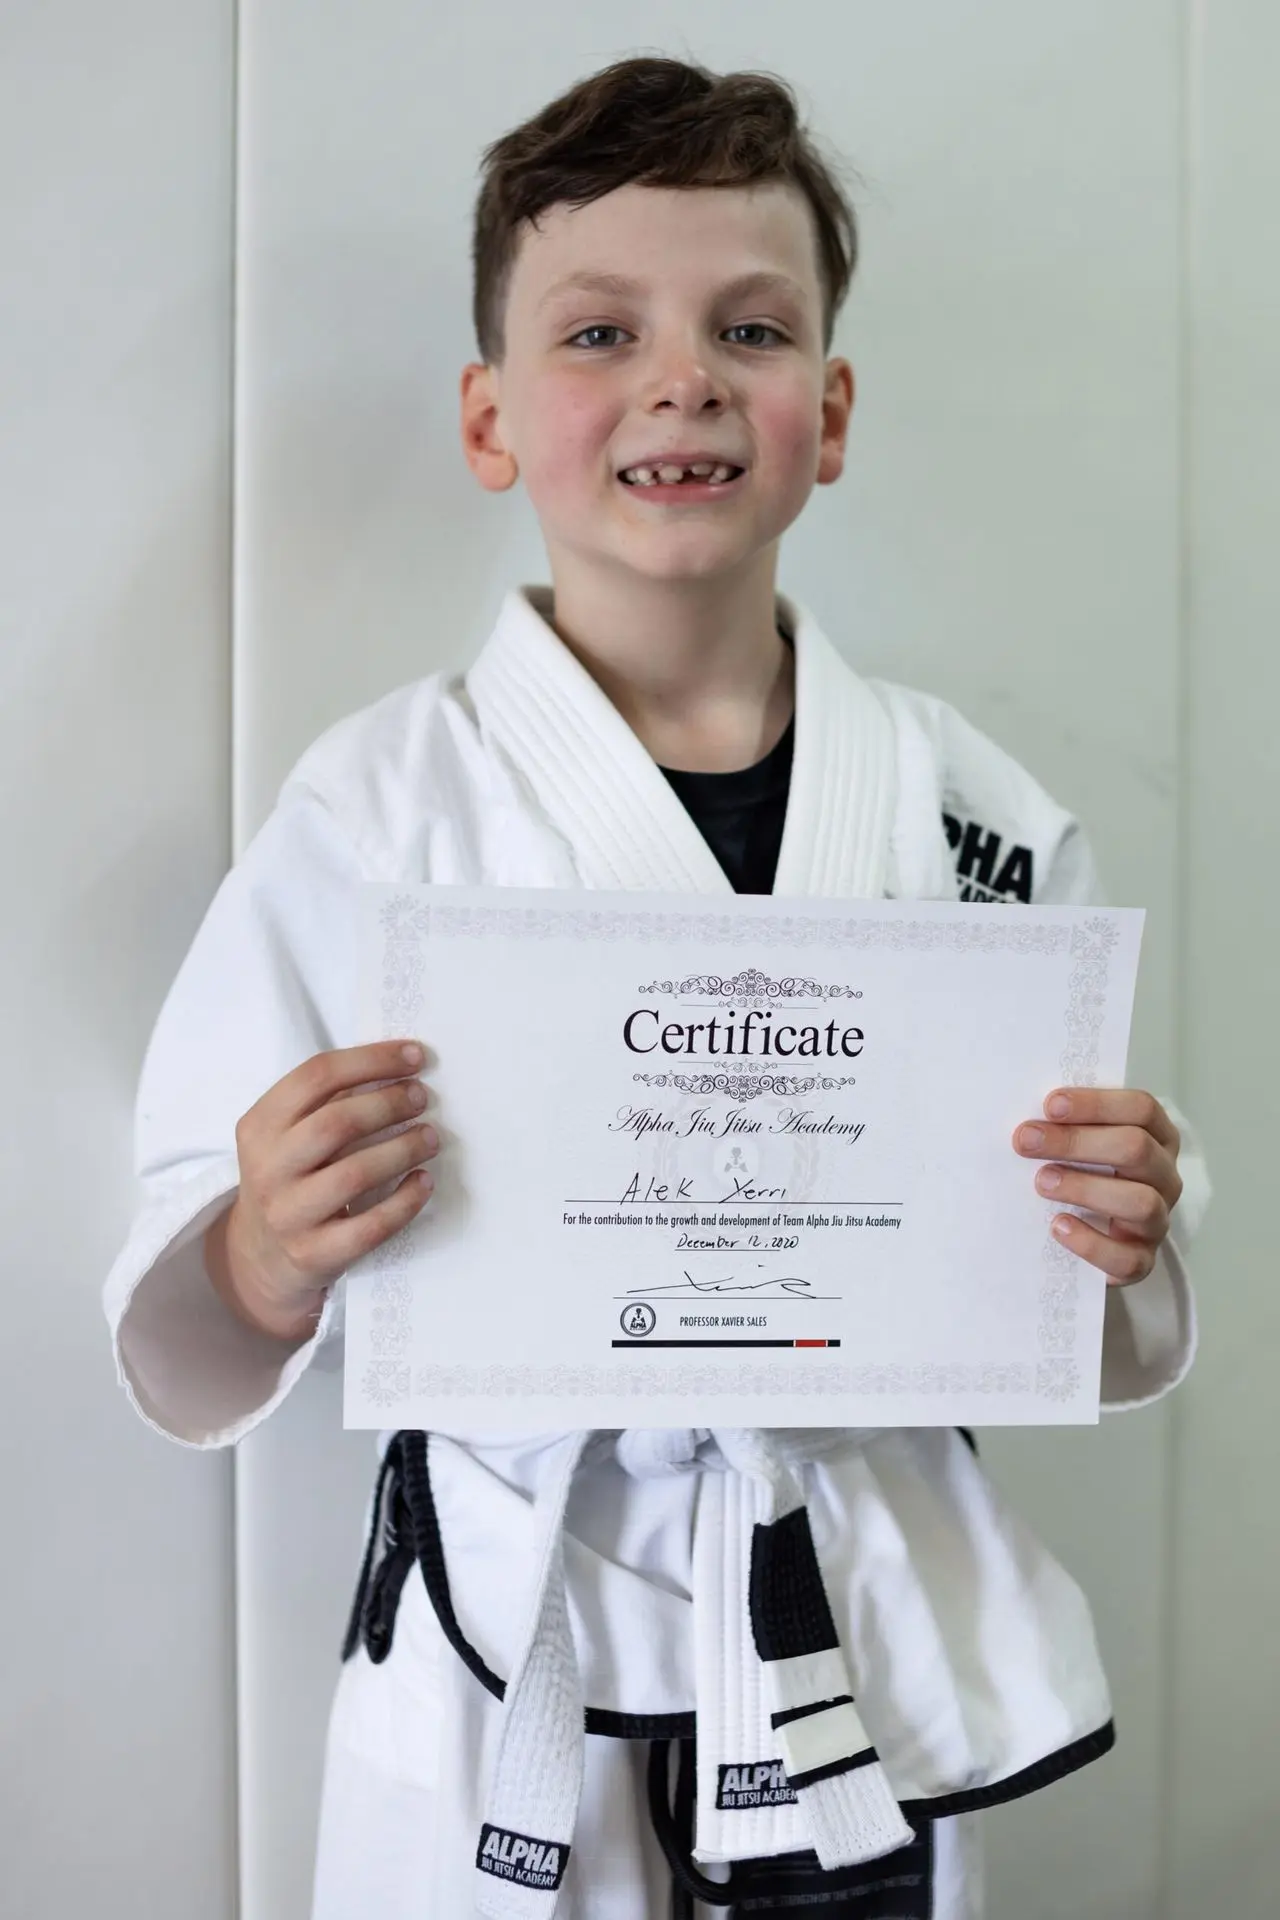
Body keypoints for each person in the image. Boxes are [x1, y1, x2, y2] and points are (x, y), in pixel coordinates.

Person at [103, 54, 1206, 1920]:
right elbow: (183, 1309)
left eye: (750, 329)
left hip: (850, 1610)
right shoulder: (373, 812)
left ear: (830, 411)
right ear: (490, 416)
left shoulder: (974, 818)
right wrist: (265, 1254)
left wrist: (1118, 1231)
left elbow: (1088, 1323)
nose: (681, 378)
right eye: (599, 330)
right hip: (512, 1623)